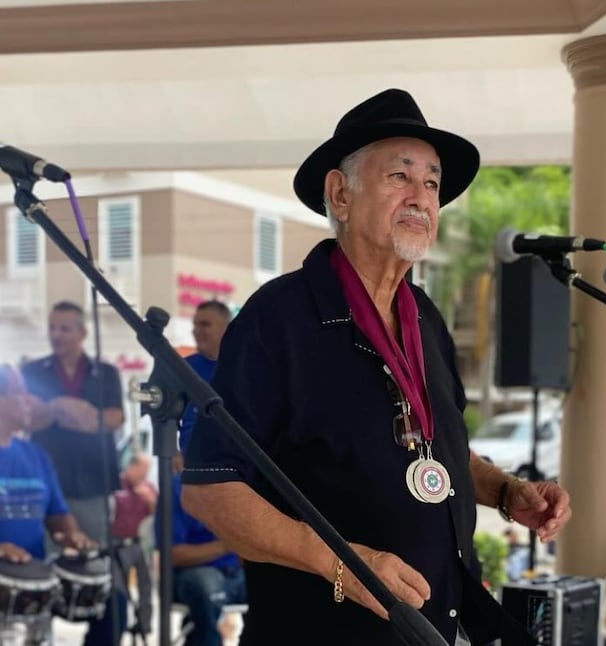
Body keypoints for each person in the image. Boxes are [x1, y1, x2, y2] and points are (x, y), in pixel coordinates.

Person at [180, 88, 572, 645]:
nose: (421, 197)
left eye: (432, 183)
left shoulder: (426, 319)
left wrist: (508, 491)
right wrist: (345, 563)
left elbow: (441, 451)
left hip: (441, 627)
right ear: (340, 194)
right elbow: (210, 488)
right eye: (400, 177)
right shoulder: (279, 318)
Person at [21, 300, 126, 645]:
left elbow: (114, 419)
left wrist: (63, 413)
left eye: (65, 328)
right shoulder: (34, 371)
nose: (56, 335)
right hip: (48, 487)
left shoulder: (105, 372)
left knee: (96, 565)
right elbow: (31, 418)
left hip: (94, 485)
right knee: (40, 571)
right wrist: (73, 414)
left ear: (83, 332)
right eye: (52, 328)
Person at [0, 364, 96, 640]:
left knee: (115, 603)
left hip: (31, 583)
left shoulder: (36, 456)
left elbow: (57, 513)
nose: (30, 400)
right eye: (20, 393)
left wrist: (71, 533)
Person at [164, 473, 246, 646]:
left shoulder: (239, 482)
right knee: (208, 588)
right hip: (192, 574)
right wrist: (225, 546)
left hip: (233, 573)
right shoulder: (177, 487)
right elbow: (173, 554)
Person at [174, 299, 232, 473]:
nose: (197, 331)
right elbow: (166, 414)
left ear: (227, 328)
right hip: (193, 469)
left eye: (205, 324)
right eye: (195, 325)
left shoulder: (244, 367)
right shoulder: (184, 368)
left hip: (235, 470)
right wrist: (171, 450)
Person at [112, 452, 157, 637]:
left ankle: (144, 624)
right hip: (117, 544)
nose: (144, 476)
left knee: (146, 585)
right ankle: (120, 625)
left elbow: (158, 517)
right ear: (132, 466)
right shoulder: (116, 485)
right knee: (120, 588)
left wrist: (150, 500)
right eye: (142, 471)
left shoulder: (149, 488)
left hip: (139, 543)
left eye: (147, 472)